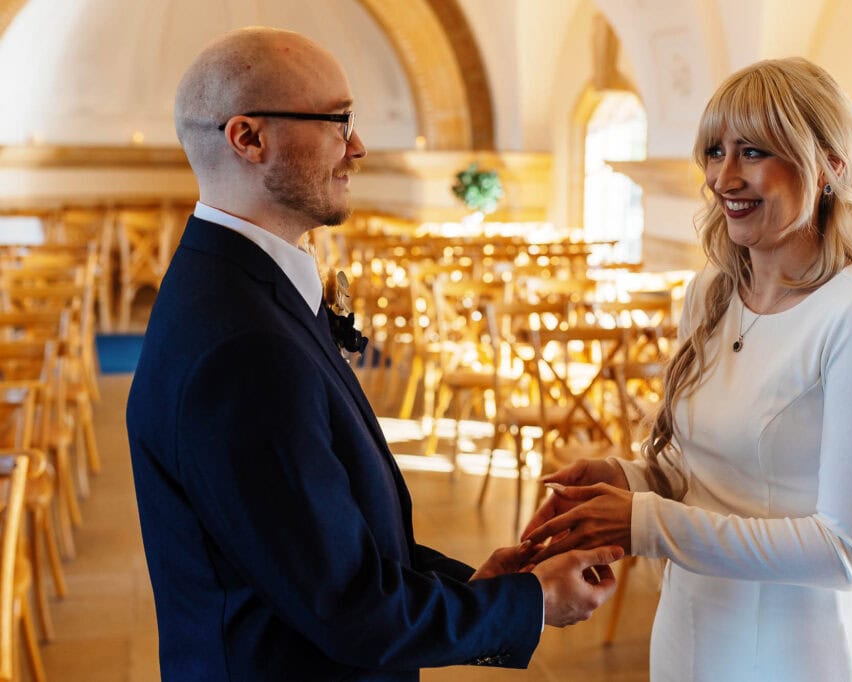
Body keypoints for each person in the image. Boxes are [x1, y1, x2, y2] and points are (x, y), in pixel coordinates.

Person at [126, 26, 622, 682]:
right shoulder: (245, 347)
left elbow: (317, 544)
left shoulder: (231, 284)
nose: (357, 146)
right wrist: (532, 603)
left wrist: (479, 587)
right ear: (248, 138)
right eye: (337, 121)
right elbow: (347, 608)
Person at [523, 57, 852, 681]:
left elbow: (844, 550)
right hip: (691, 631)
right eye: (715, 151)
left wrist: (645, 521)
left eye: (753, 152)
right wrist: (627, 479)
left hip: (796, 651)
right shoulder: (710, 294)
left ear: (828, 166)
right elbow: (708, 482)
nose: (724, 177)